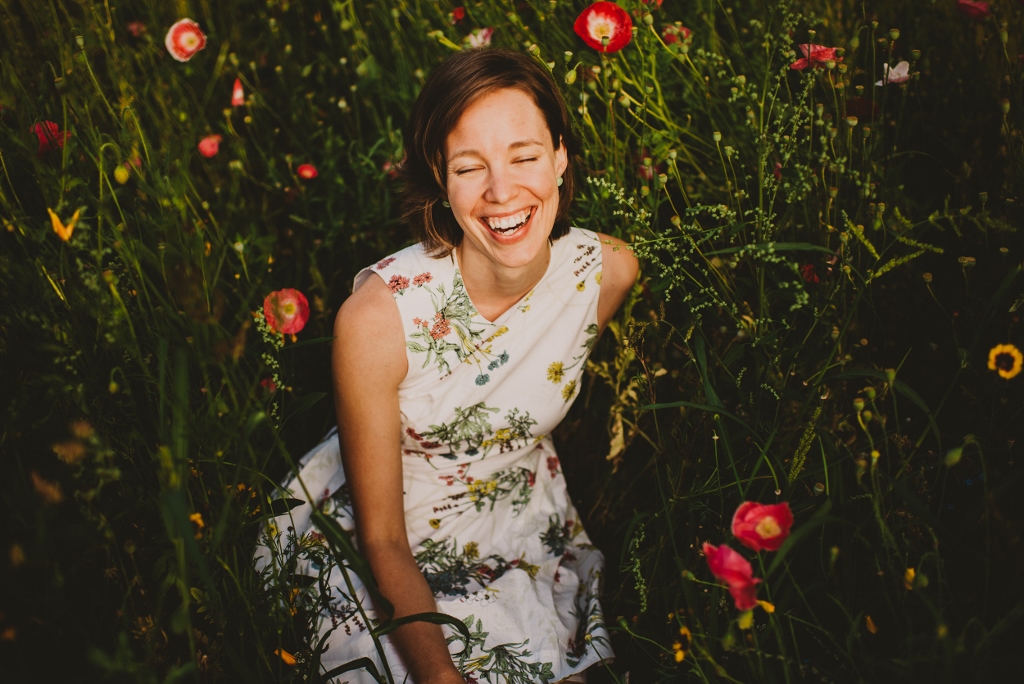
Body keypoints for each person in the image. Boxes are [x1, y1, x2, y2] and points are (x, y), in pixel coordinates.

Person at [256, 48, 638, 683]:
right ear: (440, 175)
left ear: (561, 156)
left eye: (525, 156)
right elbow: (382, 539)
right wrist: (440, 676)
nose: (502, 192)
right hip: (387, 525)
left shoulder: (606, 271)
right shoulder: (377, 321)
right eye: (470, 167)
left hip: (520, 509)